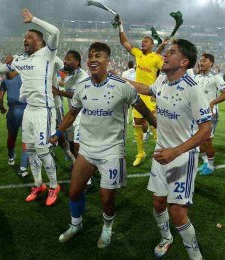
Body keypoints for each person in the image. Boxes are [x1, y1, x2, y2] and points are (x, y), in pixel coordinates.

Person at [50, 42, 156, 248]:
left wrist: (155, 123)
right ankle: (76, 224)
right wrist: (58, 132)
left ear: (107, 60)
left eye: (98, 56)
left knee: (106, 198)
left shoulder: (123, 86)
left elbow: (141, 106)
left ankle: (107, 229)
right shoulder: (82, 87)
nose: (92, 59)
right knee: (74, 191)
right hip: (88, 149)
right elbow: (72, 113)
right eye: (90, 56)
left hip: (112, 151)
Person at [128, 39, 211, 259]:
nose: (164, 55)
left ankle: (196, 256)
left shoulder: (193, 90)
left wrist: (175, 152)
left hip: (182, 157)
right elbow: (148, 89)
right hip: (160, 153)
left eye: (171, 52)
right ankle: (166, 238)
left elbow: (205, 130)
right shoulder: (163, 79)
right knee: (158, 203)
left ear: (184, 62)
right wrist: (122, 81)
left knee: (177, 212)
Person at [0, 8, 61, 206]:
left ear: (39, 42)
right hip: (29, 110)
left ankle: (54, 185)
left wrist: (34, 19)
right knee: (30, 150)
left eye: (30, 36)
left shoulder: (47, 54)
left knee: (42, 151)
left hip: (44, 110)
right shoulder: (21, 60)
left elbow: (55, 32)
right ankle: (38, 184)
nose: (25, 39)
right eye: (25, 37)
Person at [118, 17, 163, 166]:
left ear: (152, 45)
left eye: (146, 41)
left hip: (150, 95)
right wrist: (120, 27)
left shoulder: (156, 58)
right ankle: (140, 153)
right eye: (142, 41)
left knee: (153, 123)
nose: (142, 42)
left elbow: (166, 71)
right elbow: (125, 43)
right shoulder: (138, 54)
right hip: (137, 95)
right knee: (137, 123)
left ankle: (160, 149)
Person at [195, 53, 225, 175]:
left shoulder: (216, 77)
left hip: (210, 114)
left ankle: (210, 166)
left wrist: (212, 103)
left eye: (204, 61)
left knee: (207, 140)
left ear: (211, 63)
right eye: (200, 61)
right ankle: (205, 162)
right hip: (196, 114)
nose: (201, 63)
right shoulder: (197, 77)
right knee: (198, 141)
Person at [52, 50, 89, 158]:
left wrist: (60, 92)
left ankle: (86, 173)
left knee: (79, 147)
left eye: (68, 59)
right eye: (65, 58)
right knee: (72, 145)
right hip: (72, 116)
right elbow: (62, 79)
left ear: (76, 62)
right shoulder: (69, 77)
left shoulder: (83, 76)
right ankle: (77, 168)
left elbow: (80, 95)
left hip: (82, 116)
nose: (65, 61)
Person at [0, 71, 29, 177]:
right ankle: (23, 167)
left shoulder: (6, 78)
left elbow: (0, 96)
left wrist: (1, 107)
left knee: (11, 135)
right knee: (27, 138)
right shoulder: (26, 74)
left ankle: (11, 157)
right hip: (27, 109)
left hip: (13, 110)